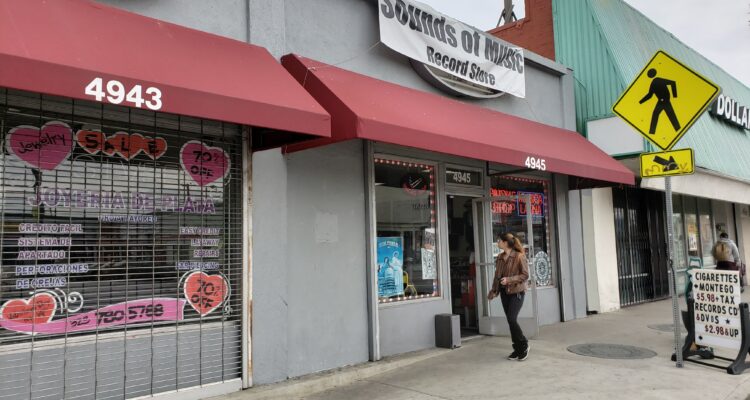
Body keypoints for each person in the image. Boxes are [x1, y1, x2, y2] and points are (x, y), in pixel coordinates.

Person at [488, 233, 530, 361]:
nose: (497, 242)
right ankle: (517, 348)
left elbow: (525, 275)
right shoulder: (500, 257)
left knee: (512, 319)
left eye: (499, 240)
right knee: (510, 321)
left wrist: (509, 280)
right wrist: (494, 291)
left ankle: (523, 344)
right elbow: (497, 276)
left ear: (505, 242)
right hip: (504, 293)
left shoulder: (519, 256)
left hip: (517, 292)